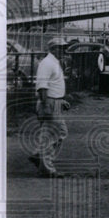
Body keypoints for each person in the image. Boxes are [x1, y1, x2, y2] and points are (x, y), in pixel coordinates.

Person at [32, 37, 71, 177]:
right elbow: (42, 86)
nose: (64, 50)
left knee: (49, 134)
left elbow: (53, 84)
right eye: (61, 47)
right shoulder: (47, 63)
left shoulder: (53, 62)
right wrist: (46, 103)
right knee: (57, 133)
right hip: (49, 102)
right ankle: (47, 169)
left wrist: (61, 100)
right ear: (53, 49)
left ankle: (38, 156)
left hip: (54, 101)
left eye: (64, 47)